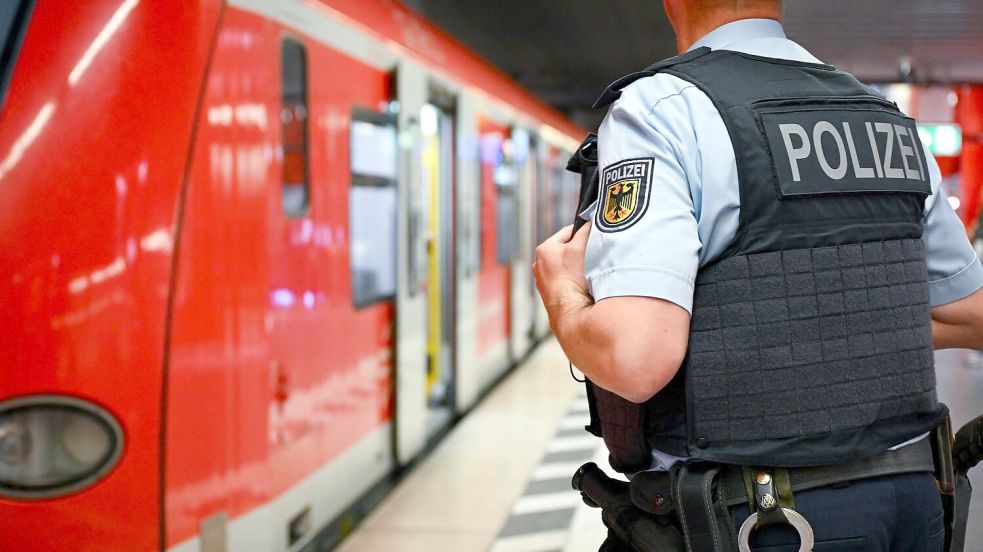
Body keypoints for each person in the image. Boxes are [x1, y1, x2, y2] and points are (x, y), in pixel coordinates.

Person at [532, 0, 983, 550]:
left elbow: (636, 357)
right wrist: (822, 326)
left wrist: (562, 294)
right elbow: (969, 314)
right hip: (913, 506)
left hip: (762, 520)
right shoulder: (884, 116)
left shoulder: (661, 110)